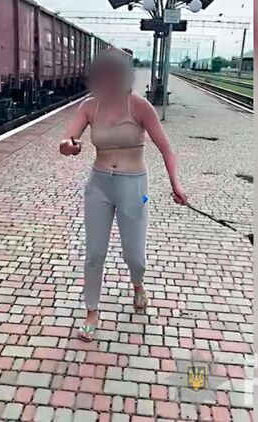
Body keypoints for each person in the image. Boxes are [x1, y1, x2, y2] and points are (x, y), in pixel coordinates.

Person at [58, 49, 187, 342]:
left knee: (134, 254)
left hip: (135, 187)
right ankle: (91, 311)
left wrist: (175, 184)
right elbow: (68, 139)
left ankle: (138, 284)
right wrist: (68, 146)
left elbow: (166, 148)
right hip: (99, 185)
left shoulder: (139, 106)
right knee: (94, 253)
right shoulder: (89, 107)